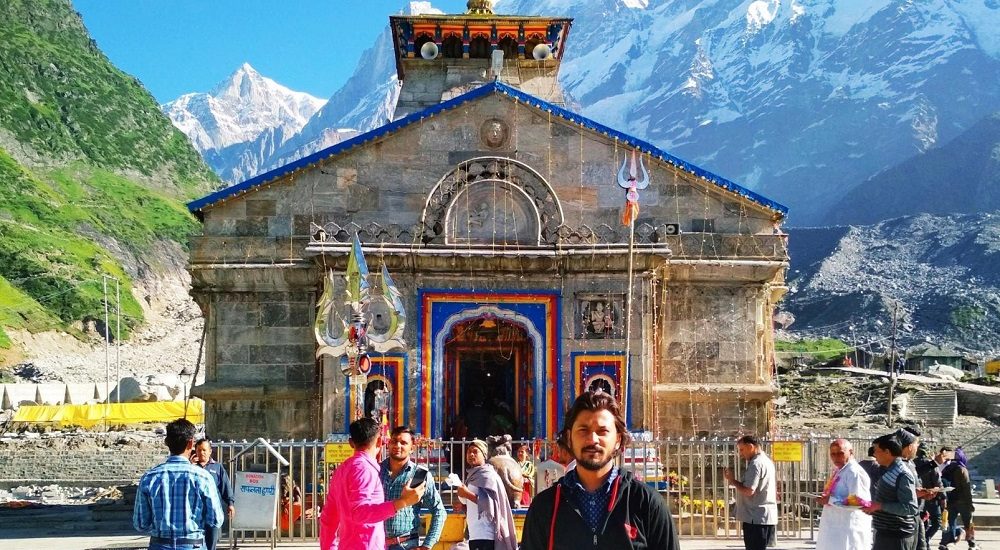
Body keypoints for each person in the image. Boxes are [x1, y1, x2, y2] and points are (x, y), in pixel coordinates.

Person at [521, 391, 679, 550]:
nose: (592, 439)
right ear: (569, 438)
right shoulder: (545, 507)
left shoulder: (646, 504)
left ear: (617, 440)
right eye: (583, 430)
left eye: (602, 431)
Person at [320, 418, 426, 550]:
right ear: (380, 442)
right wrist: (402, 502)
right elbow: (359, 512)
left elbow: (328, 518)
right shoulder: (364, 469)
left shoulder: (342, 469)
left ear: (351, 443)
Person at [133, 418, 224, 550]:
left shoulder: (149, 478)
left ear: (166, 442)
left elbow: (141, 523)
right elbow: (216, 520)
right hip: (193, 544)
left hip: (159, 544)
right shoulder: (203, 477)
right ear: (191, 443)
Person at [379, 426, 447, 550]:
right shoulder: (376, 471)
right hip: (376, 543)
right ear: (388, 444)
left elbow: (439, 511)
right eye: (394, 441)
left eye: (403, 443)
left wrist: (427, 545)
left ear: (412, 448)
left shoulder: (419, 475)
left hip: (406, 544)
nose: (397, 446)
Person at [451, 439, 517, 550]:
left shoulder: (487, 475)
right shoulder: (473, 476)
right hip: (474, 534)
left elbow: (490, 504)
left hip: (486, 535)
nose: (471, 454)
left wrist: (467, 494)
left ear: (484, 455)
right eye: (469, 452)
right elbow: (477, 503)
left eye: (475, 451)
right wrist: (463, 506)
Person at [861, 432, 918, 550]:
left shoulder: (902, 474)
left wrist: (880, 506)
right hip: (886, 534)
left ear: (887, 452)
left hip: (896, 537)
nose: (874, 454)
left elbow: (910, 508)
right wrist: (873, 508)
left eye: (876, 450)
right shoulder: (889, 470)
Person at [723, 435, 778, 550]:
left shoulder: (756, 464)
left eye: (742, 450)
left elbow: (749, 491)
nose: (741, 454)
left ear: (750, 447)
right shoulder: (767, 461)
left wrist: (732, 480)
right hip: (764, 516)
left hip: (755, 518)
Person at [816, 439, 872, 550]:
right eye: (833, 454)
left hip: (848, 530)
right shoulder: (840, 470)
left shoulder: (854, 472)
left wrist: (830, 500)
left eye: (840, 453)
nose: (836, 457)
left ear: (851, 452)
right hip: (835, 529)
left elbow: (859, 501)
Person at [191, 438, 234, 550]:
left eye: (204, 450)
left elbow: (225, 486)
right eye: (199, 450)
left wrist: (230, 504)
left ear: (210, 451)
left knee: (211, 543)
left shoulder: (217, 467)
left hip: (212, 511)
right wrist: (190, 464)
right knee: (195, 543)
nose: (202, 453)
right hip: (195, 512)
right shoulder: (191, 467)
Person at [939, 447, 976, 550]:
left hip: (950, 500)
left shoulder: (947, 468)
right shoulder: (962, 469)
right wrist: (970, 504)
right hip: (963, 501)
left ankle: (947, 543)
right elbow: (966, 488)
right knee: (968, 523)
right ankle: (971, 543)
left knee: (949, 522)